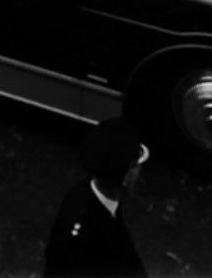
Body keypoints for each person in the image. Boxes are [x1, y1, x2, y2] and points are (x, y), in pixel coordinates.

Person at [43, 117, 147, 278]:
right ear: (126, 176)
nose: (140, 172)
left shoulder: (93, 195)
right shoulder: (81, 238)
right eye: (137, 166)